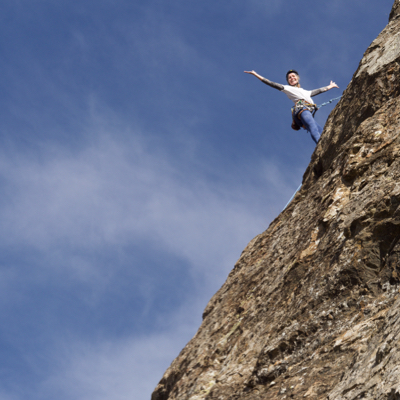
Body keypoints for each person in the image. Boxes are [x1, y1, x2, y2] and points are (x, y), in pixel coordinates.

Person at [244, 69, 339, 144]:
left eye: (293, 76)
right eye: (289, 77)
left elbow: (319, 90)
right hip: (302, 110)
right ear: (288, 81)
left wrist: (330, 86)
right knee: (312, 126)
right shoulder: (287, 88)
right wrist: (255, 74)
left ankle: (325, 144)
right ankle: (320, 146)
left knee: (320, 130)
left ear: (297, 78)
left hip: (304, 111)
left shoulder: (306, 91)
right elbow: (270, 83)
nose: (292, 78)